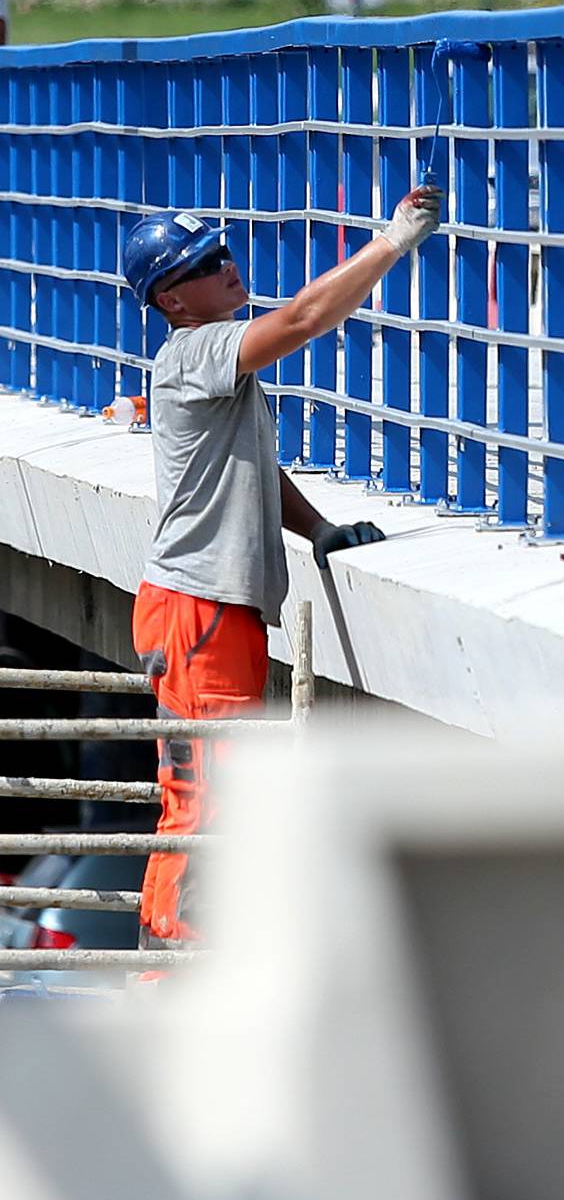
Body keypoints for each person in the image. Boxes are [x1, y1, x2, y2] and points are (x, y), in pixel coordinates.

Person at [120, 187, 443, 948]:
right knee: (210, 800)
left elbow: (250, 471)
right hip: (197, 611)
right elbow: (302, 319)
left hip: (203, 609)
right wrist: (392, 241)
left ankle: (174, 963)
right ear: (173, 298)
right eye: (206, 263)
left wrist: (317, 528)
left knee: (211, 795)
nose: (229, 266)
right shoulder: (194, 351)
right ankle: (174, 971)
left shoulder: (209, 361)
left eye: (225, 250)